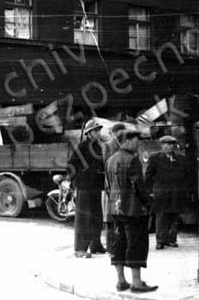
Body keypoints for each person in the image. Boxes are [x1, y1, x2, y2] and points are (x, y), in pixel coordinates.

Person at [106, 130, 157, 293]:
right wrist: (148, 202)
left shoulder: (110, 160)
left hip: (115, 208)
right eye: (136, 141)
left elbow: (108, 186)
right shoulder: (132, 160)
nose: (138, 144)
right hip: (133, 209)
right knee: (136, 243)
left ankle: (121, 281)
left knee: (119, 243)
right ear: (126, 141)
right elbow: (138, 186)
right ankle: (137, 282)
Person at [67, 119, 106, 258]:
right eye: (96, 131)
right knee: (83, 219)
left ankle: (95, 245)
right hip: (84, 187)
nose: (98, 133)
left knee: (97, 216)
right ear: (89, 133)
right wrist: (77, 180)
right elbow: (71, 165)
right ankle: (80, 249)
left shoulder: (98, 147)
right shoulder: (82, 147)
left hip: (95, 186)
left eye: (98, 131)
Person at [145, 135, 187, 249]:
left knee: (174, 216)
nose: (169, 147)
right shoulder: (155, 158)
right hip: (161, 192)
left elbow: (185, 175)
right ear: (162, 145)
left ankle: (172, 239)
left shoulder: (181, 159)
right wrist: (149, 191)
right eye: (166, 145)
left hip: (176, 191)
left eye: (171, 144)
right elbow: (148, 176)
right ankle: (160, 240)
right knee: (161, 216)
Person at [102, 123, 126, 251]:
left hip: (122, 185)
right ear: (115, 133)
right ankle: (111, 246)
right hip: (111, 185)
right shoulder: (107, 146)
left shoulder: (123, 145)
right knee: (110, 217)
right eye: (121, 133)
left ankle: (120, 244)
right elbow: (106, 165)